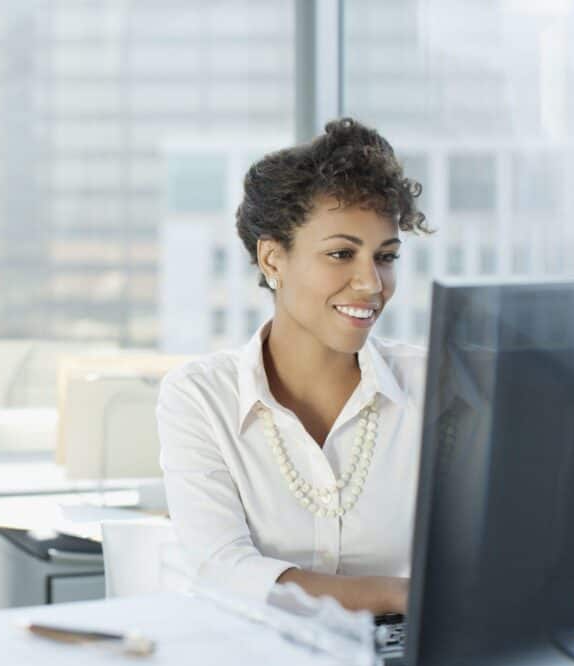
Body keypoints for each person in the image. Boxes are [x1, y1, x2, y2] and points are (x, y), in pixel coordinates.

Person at [157, 118, 434, 615]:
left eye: (385, 256)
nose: (371, 282)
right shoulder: (200, 397)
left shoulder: (434, 386)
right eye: (341, 254)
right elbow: (222, 570)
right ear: (272, 259)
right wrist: (403, 596)